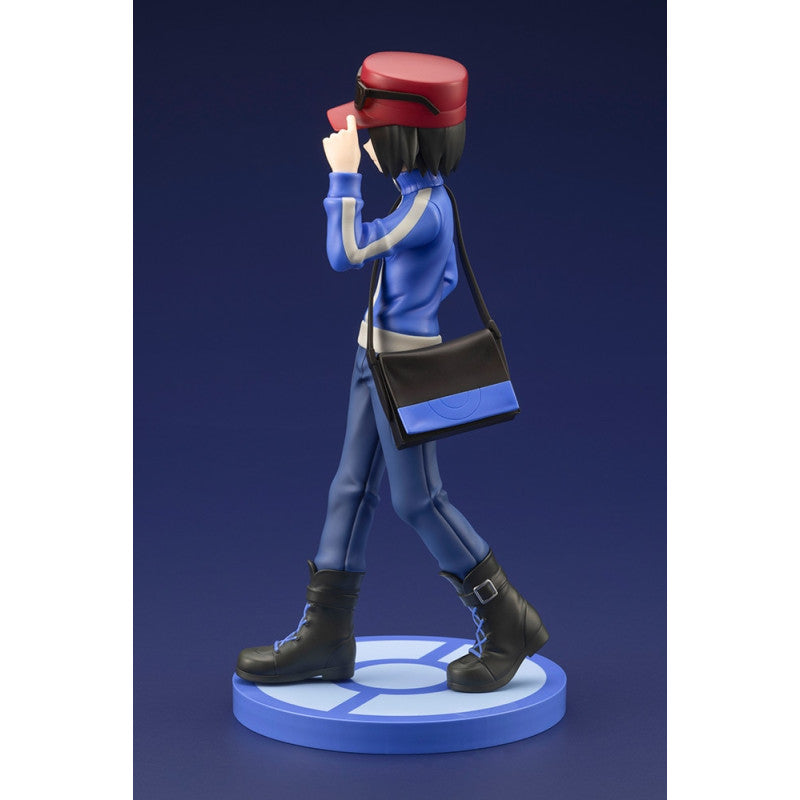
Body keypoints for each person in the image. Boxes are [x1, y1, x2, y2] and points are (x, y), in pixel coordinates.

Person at [236, 52, 548, 693]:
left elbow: (346, 251)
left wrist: (343, 177)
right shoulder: (420, 201)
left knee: (419, 500)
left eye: (371, 135)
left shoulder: (424, 208)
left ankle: (508, 620)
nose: (362, 143)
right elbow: (437, 274)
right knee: (350, 488)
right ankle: (326, 635)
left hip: (402, 368)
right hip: (372, 357)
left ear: (403, 139)